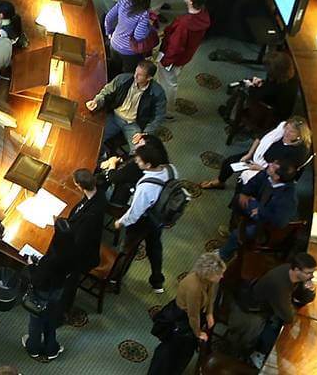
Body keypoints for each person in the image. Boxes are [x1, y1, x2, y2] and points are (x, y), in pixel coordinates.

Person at [23, 168, 109, 361]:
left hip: (47, 289)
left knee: (37, 321)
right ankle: (52, 346)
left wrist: (31, 264)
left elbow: (37, 278)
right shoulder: (99, 197)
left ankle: (34, 347)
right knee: (51, 316)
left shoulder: (55, 257)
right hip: (58, 287)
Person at [113, 136, 178, 294]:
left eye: (140, 160)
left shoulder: (146, 187)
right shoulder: (171, 168)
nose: (136, 161)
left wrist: (120, 222)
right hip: (159, 217)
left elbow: (134, 214)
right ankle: (157, 282)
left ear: (148, 165)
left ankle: (114, 278)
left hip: (144, 220)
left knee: (126, 249)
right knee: (155, 247)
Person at [146, 252, 226, 374]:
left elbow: (211, 295)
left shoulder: (209, 280)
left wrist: (209, 313)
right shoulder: (194, 288)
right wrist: (198, 333)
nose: (222, 276)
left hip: (193, 316)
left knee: (183, 352)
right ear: (208, 274)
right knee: (170, 352)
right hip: (180, 319)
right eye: (219, 274)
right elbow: (193, 316)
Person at [218, 161, 298, 260]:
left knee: (238, 235)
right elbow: (253, 182)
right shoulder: (267, 173)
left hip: (266, 224)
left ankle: (223, 255)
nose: (269, 165)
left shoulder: (288, 199)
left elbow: (280, 222)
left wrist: (261, 211)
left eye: (273, 167)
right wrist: (245, 193)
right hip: (257, 206)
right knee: (238, 199)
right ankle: (232, 227)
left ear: (277, 177)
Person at [87, 58, 168, 152]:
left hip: (134, 124)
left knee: (139, 151)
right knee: (93, 138)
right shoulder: (122, 79)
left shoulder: (157, 93)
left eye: (140, 75)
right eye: (135, 72)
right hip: (115, 117)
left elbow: (159, 116)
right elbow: (106, 92)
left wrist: (146, 133)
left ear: (149, 78)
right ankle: (104, 156)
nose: (135, 76)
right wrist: (97, 101)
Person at [156, 0, 210, 97]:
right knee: (172, 79)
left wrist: (165, 61)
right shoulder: (203, 15)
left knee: (168, 83)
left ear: (191, 1)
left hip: (172, 59)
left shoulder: (184, 24)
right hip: (185, 56)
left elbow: (175, 47)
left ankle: (167, 109)